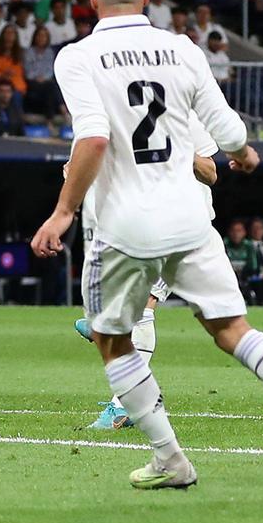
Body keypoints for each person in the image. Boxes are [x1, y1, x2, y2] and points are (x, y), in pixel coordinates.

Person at [28, 0, 263, 495]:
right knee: (232, 330)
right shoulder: (181, 48)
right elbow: (226, 130)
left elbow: (93, 137)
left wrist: (63, 212)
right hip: (190, 219)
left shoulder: (77, 57)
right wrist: (245, 154)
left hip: (125, 227)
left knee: (112, 338)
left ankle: (170, 459)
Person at [72, 121, 220, 429]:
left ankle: (122, 406)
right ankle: (107, 327)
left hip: (183, 224)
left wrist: (179, 151)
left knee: (142, 310)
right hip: (148, 223)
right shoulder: (123, 112)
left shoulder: (185, 115)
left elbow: (210, 172)